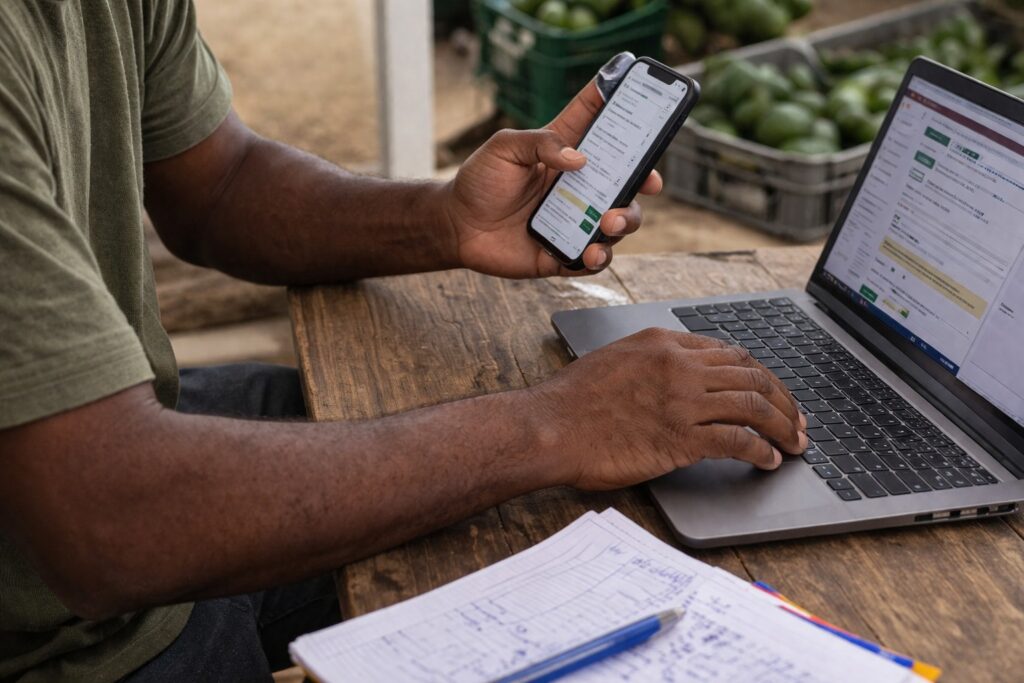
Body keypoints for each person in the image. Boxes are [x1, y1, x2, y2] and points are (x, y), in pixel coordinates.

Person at [0, 2, 808, 681]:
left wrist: (444, 220)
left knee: (533, 482)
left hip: (120, 456)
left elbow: (220, 185)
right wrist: (557, 423)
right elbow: (107, 523)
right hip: (76, 634)